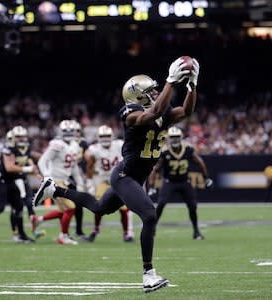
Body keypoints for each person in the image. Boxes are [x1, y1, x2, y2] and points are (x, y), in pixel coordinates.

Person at [34, 56, 198, 292]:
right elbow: (152, 114)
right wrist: (171, 83)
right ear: (137, 95)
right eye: (150, 90)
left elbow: (187, 110)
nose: (154, 92)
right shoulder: (130, 111)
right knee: (150, 216)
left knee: (100, 207)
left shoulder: (161, 108)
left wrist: (192, 85)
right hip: (125, 176)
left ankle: (54, 189)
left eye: (155, 90)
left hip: (136, 176)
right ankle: (148, 274)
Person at [0, 126, 38, 244]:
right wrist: (29, 168)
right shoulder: (8, 148)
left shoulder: (25, 148)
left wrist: (36, 167)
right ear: (13, 137)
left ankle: (21, 235)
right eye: (18, 137)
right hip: (2, 181)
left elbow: (29, 158)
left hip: (13, 181)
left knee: (19, 207)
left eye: (22, 136)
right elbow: (9, 168)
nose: (21, 139)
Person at [149, 126, 212, 240]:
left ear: (181, 137)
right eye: (172, 137)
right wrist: (152, 185)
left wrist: (206, 178)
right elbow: (156, 169)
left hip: (184, 181)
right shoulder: (165, 152)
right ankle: (152, 229)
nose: (175, 140)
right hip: (169, 182)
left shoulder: (187, 149)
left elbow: (200, 163)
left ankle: (196, 231)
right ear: (168, 138)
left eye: (177, 137)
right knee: (161, 203)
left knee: (192, 206)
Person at [32, 119, 85, 245]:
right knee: (71, 208)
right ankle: (63, 236)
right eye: (65, 131)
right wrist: (47, 177)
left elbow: (74, 167)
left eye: (71, 130)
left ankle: (38, 220)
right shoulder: (57, 144)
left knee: (63, 211)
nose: (68, 133)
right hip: (55, 182)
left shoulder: (74, 146)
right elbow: (42, 161)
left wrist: (80, 182)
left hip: (64, 181)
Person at [84, 125, 134, 242]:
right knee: (97, 207)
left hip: (118, 181)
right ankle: (96, 229)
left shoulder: (119, 145)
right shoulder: (94, 149)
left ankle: (127, 233)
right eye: (103, 136)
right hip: (103, 181)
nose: (105, 139)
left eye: (107, 136)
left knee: (124, 208)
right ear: (98, 137)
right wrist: (90, 183)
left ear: (112, 136)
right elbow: (89, 165)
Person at [69, 120, 88, 240]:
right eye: (72, 131)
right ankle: (64, 231)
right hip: (65, 175)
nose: (75, 133)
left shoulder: (83, 143)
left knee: (78, 204)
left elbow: (87, 159)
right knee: (66, 205)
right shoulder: (63, 143)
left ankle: (78, 230)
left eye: (76, 131)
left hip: (78, 175)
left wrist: (85, 174)